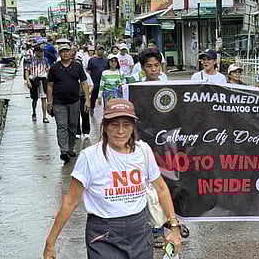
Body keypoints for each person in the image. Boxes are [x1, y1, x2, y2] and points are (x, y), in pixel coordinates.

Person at [43, 99, 182, 259]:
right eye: (114, 124)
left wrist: (174, 226)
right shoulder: (89, 157)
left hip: (140, 230)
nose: (120, 131)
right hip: (103, 234)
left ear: (133, 127)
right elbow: (70, 201)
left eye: (126, 125)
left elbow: (161, 188)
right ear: (105, 126)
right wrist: (50, 242)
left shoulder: (143, 151)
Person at [47, 44, 90, 163]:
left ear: (70, 52)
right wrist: (49, 102)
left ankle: (70, 148)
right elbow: (50, 86)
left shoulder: (77, 66)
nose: (65, 53)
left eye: (67, 51)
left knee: (72, 126)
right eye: (62, 52)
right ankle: (63, 150)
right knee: (62, 126)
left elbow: (84, 83)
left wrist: (87, 100)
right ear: (59, 54)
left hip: (74, 101)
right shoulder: (54, 68)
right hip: (58, 103)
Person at [25, 44, 50, 123]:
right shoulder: (29, 60)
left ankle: (44, 116)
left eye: (42, 52)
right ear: (35, 52)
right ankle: (34, 112)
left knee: (44, 98)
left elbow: (48, 70)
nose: (41, 53)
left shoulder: (45, 60)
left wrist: (49, 80)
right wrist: (28, 81)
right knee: (35, 98)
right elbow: (26, 70)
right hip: (34, 79)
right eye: (39, 52)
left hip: (43, 80)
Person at [75, 53, 94, 140]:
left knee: (85, 113)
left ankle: (86, 131)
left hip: (84, 97)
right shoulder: (71, 73)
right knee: (75, 114)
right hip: (74, 97)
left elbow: (91, 85)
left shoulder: (85, 74)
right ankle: (77, 132)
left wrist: (88, 93)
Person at [87, 44, 107, 115]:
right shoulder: (92, 60)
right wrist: (89, 81)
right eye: (99, 49)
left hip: (104, 82)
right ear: (96, 51)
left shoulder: (106, 60)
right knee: (93, 97)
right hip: (94, 81)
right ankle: (92, 108)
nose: (100, 51)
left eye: (102, 49)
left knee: (105, 97)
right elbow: (89, 71)